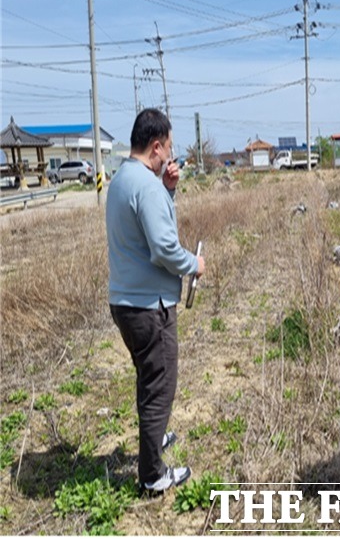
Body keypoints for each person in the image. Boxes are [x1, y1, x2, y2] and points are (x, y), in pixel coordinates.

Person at [106, 108, 205, 493]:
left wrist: (169, 189)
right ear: (156, 145)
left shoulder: (123, 180)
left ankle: (154, 437)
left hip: (126, 302)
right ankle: (152, 475)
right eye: (169, 147)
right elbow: (163, 247)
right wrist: (193, 264)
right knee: (160, 385)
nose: (171, 154)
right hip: (149, 308)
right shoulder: (145, 186)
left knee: (149, 379)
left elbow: (148, 223)